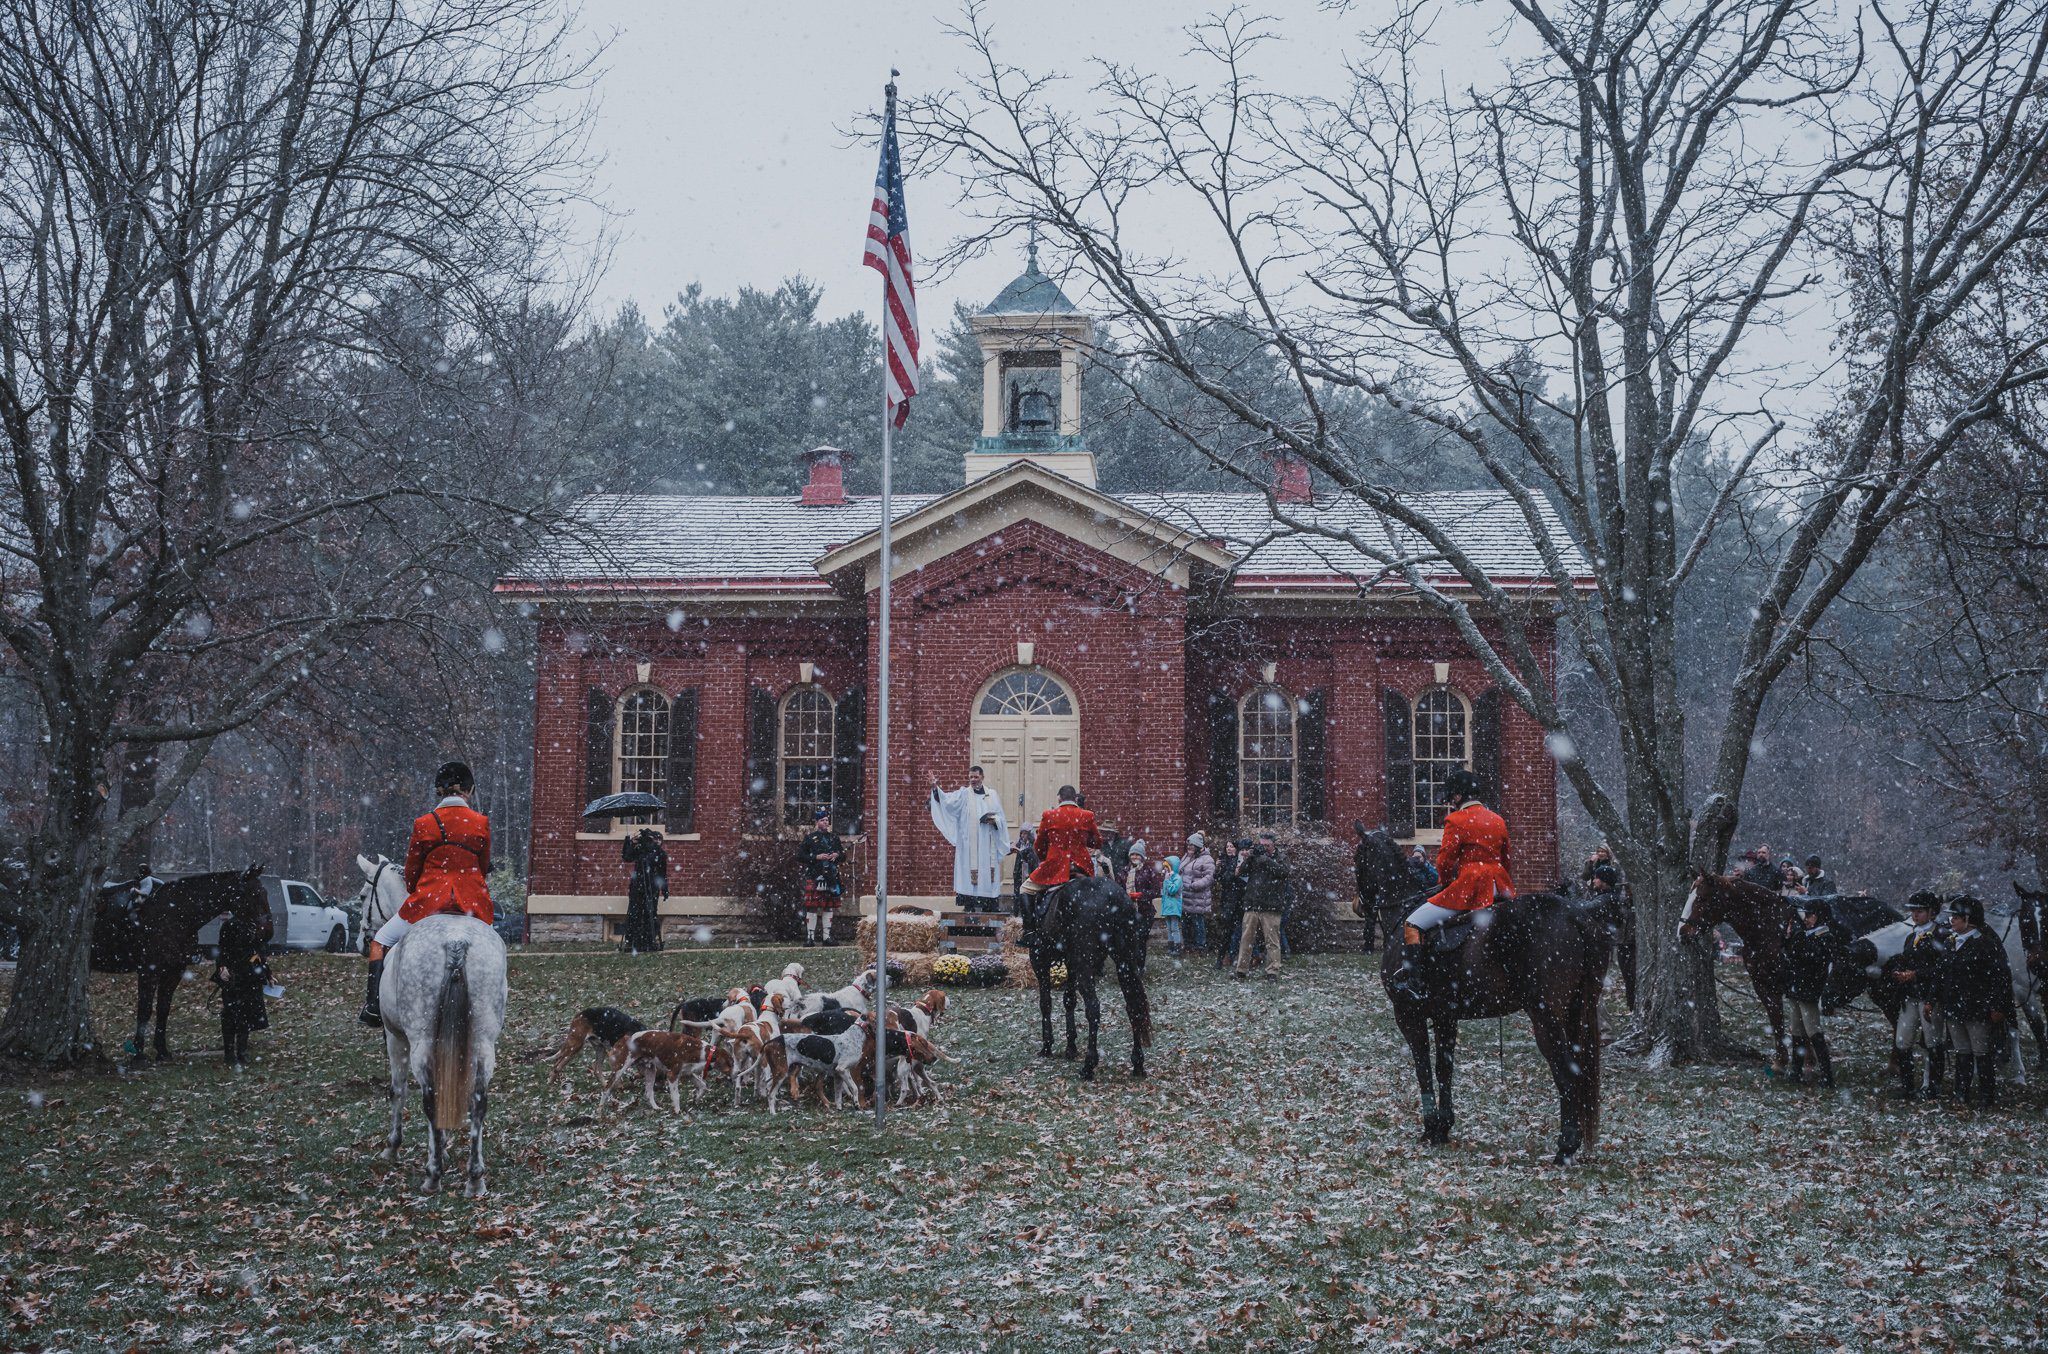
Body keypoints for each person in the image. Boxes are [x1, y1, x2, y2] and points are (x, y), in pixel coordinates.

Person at [359, 761, 493, 1025]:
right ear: (470, 790)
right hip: (472, 905)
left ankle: (373, 1006)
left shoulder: (424, 823)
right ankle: (490, 1007)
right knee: (491, 948)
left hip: (429, 902)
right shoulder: (481, 823)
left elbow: (412, 873)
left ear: (438, 791)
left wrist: (421, 888)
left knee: (380, 940)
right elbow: (484, 865)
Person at [1390, 769, 1513, 997]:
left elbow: (1445, 861)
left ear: (1457, 796)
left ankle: (1415, 982)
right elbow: (1506, 859)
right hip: (1499, 886)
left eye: (1452, 798)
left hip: (1471, 887)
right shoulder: (1498, 820)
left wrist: (1446, 882)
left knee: (1413, 923)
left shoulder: (1456, 820)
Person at [1933, 896, 2015, 1108]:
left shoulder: (1986, 945)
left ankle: (1986, 1096)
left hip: (1977, 1007)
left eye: (1957, 917)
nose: (1952, 920)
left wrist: (1998, 1006)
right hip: (1954, 1007)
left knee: (1981, 1052)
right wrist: (1934, 999)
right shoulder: (1950, 943)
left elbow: (2001, 978)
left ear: (1969, 920)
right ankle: (1961, 1093)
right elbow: (1941, 974)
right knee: (1962, 1051)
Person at [1884, 891, 1949, 1100]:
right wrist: (1899, 971)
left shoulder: (1942, 935)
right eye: (1913, 911)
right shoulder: (1912, 936)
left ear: (1931, 912)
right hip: (1910, 996)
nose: (1915, 915)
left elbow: (1942, 969)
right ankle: (1907, 1086)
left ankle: (1933, 1087)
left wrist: (1916, 975)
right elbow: (1907, 960)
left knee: (1933, 1042)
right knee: (1902, 1041)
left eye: (1919, 911)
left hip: (1930, 996)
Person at [1021, 785, 1102, 938]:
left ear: (1059, 798)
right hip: (1081, 867)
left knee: (1025, 889)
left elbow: (1039, 846)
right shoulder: (1087, 815)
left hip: (1055, 867)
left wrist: (1045, 858)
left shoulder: (1049, 815)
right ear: (1075, 798)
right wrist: (1083, 841)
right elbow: (1097, 842)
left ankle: (1029, 931)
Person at [929, 767, 1010, 910]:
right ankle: (969, 906)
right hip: (968, 847)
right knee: (968, 876)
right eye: (971, 777)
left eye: (976, 777)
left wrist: (994, 820)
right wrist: (936, 789)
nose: (973, 780)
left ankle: (988, 907)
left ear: (982, 777)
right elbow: (947, 802)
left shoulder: (992, 795)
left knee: (986, 876)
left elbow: (1001, 818)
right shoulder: (964, 794)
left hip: (987, 845)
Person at [1781, 896, 1841, 1086]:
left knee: (1813, 1030)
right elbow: (1792, 955)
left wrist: (1798, 939)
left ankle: (1827, 1075)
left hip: (1809, 989)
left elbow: (1812, 957)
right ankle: (1796, 1071)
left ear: (1820, 916)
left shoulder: (1825, 937)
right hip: (1797, 988)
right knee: (1796, 1031)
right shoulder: (1806, 935)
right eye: (1805, 915)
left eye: (1810, 915)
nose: (1806, 919)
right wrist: (1788, 938)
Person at [213, 893, 271, 1068]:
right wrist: (222, 968)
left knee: (246, 1014)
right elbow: (222, 950)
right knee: (231, 1015)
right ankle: (229, 1053)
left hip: (250, 975)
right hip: (234, 976)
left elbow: (260, 953)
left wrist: (268, 973)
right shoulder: (229, 926)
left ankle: (242, 1051)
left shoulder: (255, 926)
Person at [1233, 832, 1292, 981]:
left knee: (1272, 941)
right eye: (1262, 845)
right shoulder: (1255, 857)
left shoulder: (1281, 857)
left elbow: (1283, 873)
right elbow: (1240, 872)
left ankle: (1272, 971)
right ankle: (1241, 970)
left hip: (1271, 906)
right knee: (1246, 939)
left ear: (1273, 844)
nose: (1264, 847)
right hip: (1252, 903)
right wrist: (1250, 857)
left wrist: (1266, 860)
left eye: (1267, 845)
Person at [795, 809, 843, 947]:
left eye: (827, 820)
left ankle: (826, 938)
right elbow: (800, 856)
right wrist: (816, 857)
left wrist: (837, 855)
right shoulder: (810, 838)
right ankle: (810, 938)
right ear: (817, 822)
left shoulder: (834, 838)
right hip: (815, 875)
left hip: (831, 877)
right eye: (822, 820)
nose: (825, 822)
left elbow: (842, 855)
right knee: (812, 907)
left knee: (828, 907)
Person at [620, 827, 669, 954]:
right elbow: (626, 857)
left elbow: (662, 873)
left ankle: (649, 941)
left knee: (650, 914)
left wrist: (664, 889)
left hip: (651, 888)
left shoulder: (659, 853)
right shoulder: (640, 850)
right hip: (637, 887)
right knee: (634, 913)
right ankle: (631, 941)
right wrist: (629, 841)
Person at [1125, 841, 1163, 963]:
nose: (1134, 857)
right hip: (1128, 911)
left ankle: (1140, 966)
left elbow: (1156, 890)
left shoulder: (1149, 871)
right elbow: (1118, 889)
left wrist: (1141, 895)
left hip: (1145, 911)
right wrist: (1126, 895)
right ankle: (1130, 965)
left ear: (1142, 856)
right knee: (1129, 940)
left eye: (1137, 854)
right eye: (1132, 854)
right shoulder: (1124, 871)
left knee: (1141, 939)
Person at [1180, 833, 1215, 954]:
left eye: (1192, 845)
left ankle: (1200, 946)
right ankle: (1188, 945)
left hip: (1198, 897)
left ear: (1198, 846)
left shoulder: (1207, 859)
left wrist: (1195, 885)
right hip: (1186, 896)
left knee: (1198, 923)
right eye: (1188, 845)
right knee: (1185, 923)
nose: (1189, 847)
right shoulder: (1187, 856)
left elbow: (1209, 877)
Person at [1160, 854, 1186, 956]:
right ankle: (1170, 947)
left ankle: (1177, 947)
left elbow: (1172, 890)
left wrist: (1167, 880)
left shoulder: (1177, 878)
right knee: (1169, 928)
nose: (1165, 869)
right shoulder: (1168, 877)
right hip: (1167, 907)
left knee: (1174, 928)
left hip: (1174, 907)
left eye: (1167, 867)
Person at [1010, 827, 1039, 913]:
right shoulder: (1020, 843)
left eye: (1025, 833)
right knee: (1018, 892)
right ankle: (1017, 912)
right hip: (1020, 871)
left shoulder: (1034, 844)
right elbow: (1008, 850)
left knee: (1029, 892)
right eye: (1022, 833)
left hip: (1030, 871)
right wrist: (1012, 847)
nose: (1023, 835)